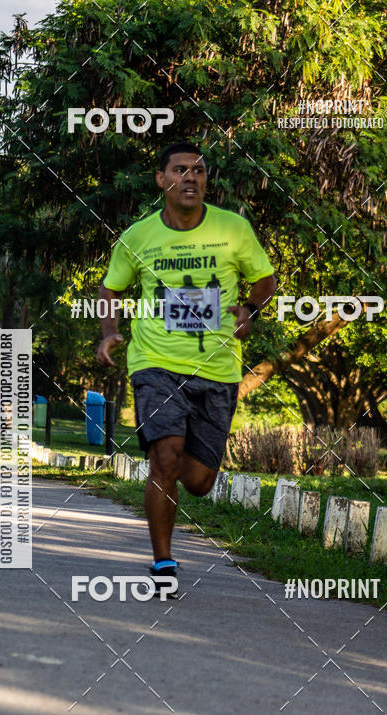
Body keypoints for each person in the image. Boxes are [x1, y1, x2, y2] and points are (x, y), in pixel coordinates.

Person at [95, 141, 276, 587]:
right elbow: (110, 289)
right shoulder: (138, 237)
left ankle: (176, 521)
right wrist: (108, 333)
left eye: (198, 171)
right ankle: (163, 562)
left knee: (197, 481)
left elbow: (265, 280)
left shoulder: (233, 229)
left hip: (217, 369)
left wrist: (249, 311)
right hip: (154, 361)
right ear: (162, 180)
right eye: (180, 170)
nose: (190, 178)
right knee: (165, 458)